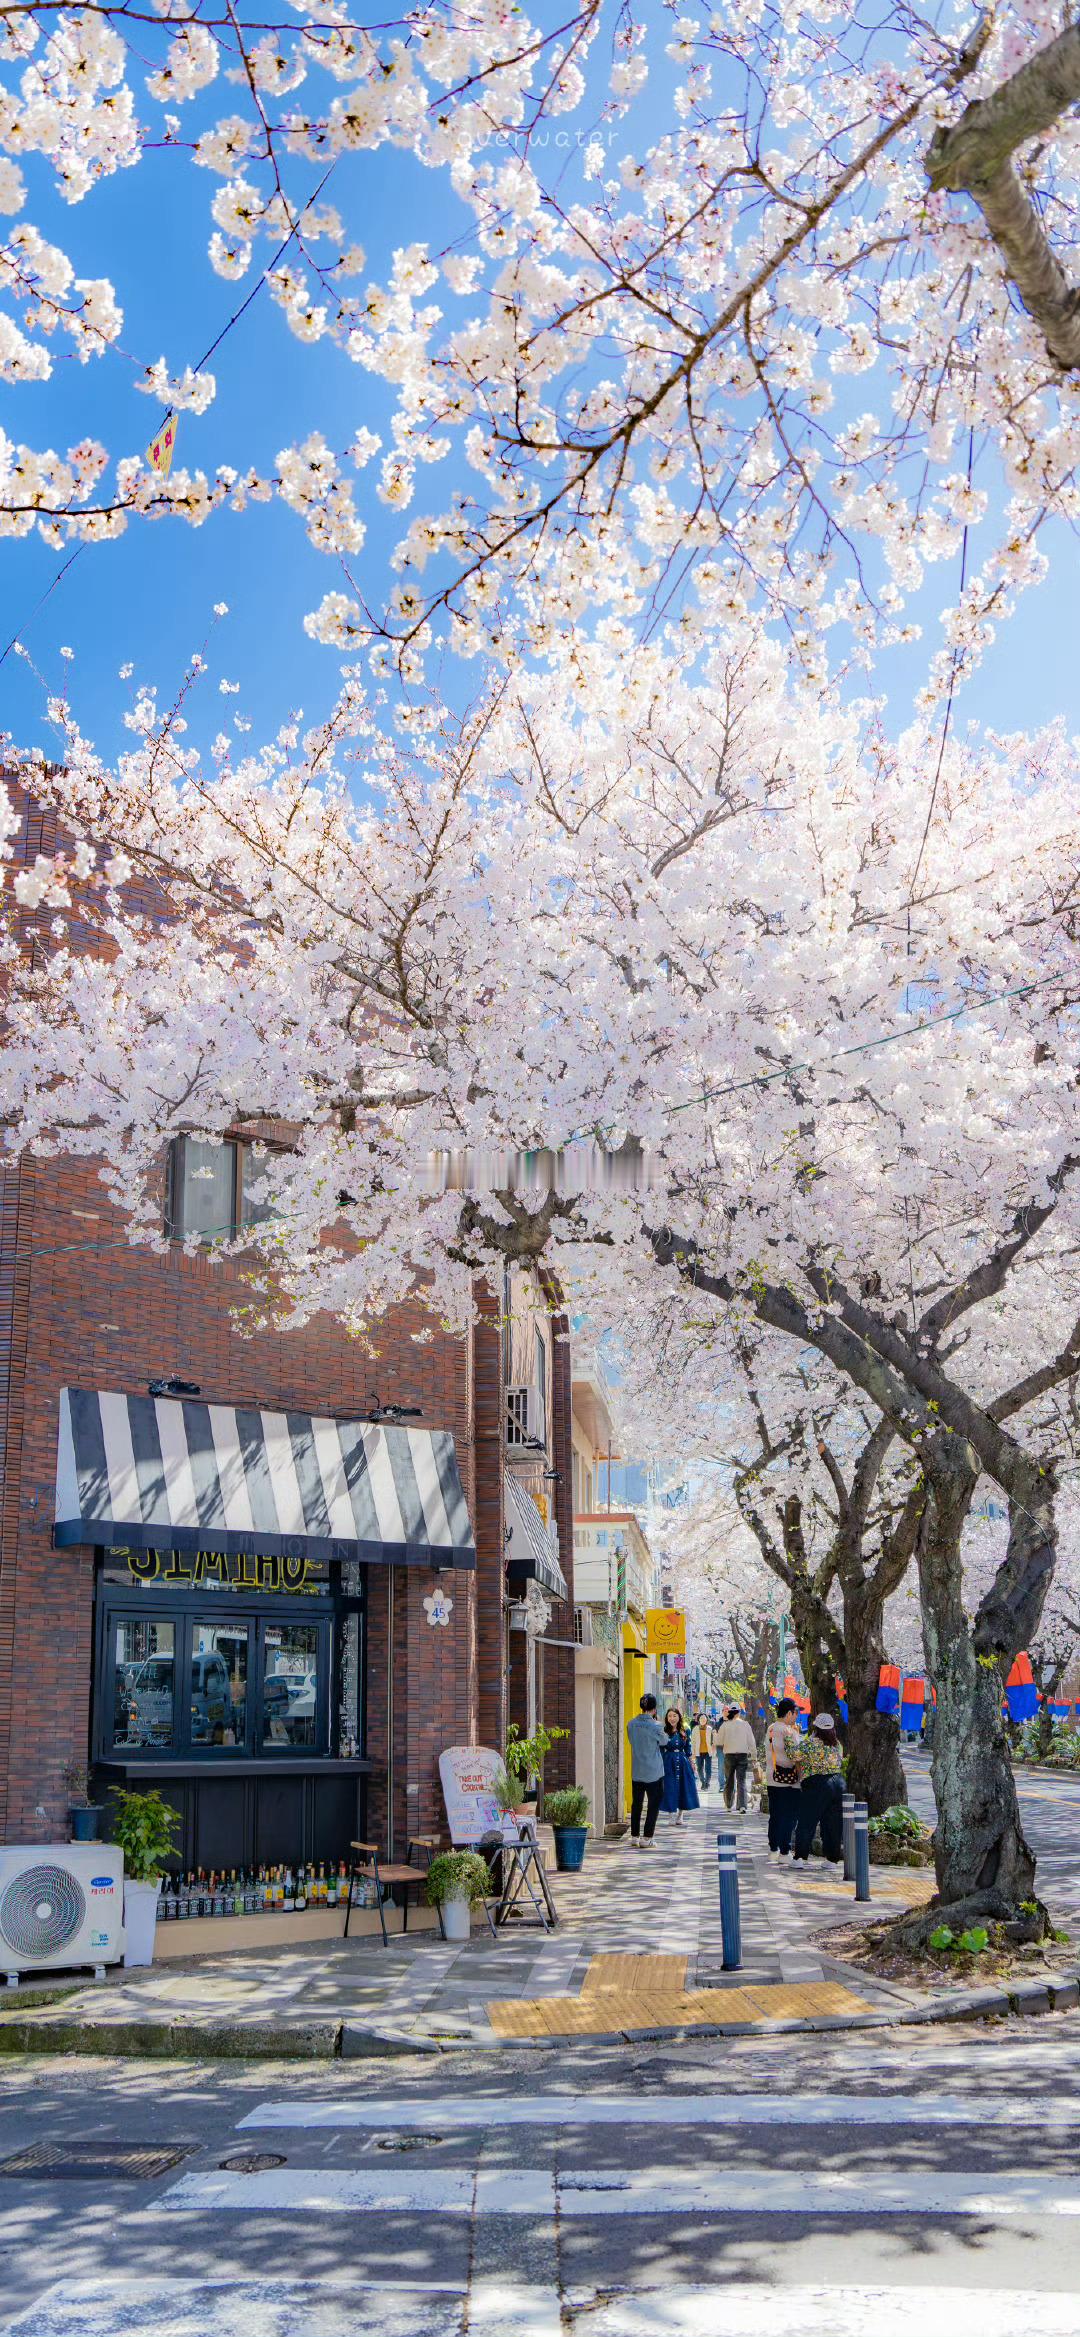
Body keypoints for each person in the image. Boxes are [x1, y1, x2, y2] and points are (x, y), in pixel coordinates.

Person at [792, 1712, 845, 1861]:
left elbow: (794, 1756)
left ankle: (800, 1858)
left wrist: (790, 1739)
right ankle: (832, 1860)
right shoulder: (837, 1744)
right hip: (838, 1783)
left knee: (807, 1820)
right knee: (833, 1823)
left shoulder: (810, 1743)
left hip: (817, 1784)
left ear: (816, 1727)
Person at [626, 1692, 668, 1848]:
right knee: (653, 1804)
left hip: (637, 1769)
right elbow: (664, 1741)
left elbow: (631, 1740)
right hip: (654, 1771)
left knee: (636, 1803)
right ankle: (647, 1838)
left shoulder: (631, 1724)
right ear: (654, 1709)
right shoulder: (657, 1726)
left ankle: (634, 1836)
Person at [763, 1696, 802, 1857]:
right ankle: (784, 1851)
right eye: (796, 1713)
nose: (796, 1716)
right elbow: (795, 1755)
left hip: (773, 1778)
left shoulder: (771, 1728)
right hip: (789, 1781)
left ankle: (773, 1847)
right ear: (789, 1713)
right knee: (789, 1815)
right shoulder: (788, 1731)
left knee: (776, 1814)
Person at [660, 1706, 700, 1826]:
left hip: (682, 1762)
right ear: (667, 1718)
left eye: (674, 1716)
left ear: (679, 1717)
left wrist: (692, 1763)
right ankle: (671, 1814)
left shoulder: (685, 1730)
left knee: (683, 1787)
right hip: (668, 1762)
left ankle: (680, 1814)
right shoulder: (664, 1731)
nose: (672, 1718)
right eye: (670, 1716)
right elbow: (661, 1749)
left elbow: (688, 1748)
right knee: (670, 1787)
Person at [717, 1704, 758, 1812]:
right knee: (741, 1780)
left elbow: (718, 1741)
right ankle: (742, 1806)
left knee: (729, 1781)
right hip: (742, 1755)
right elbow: (751, 1742)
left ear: (730, 1712)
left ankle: (728, 1805)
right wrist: (754, 1756)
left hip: (729, 1755)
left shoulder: (725, 1725)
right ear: (739, 1712)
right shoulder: (745, 1725)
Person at [691, 1709, 715, 1792]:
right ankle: (703, 1782)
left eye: (704, 1719)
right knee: (699, 1769)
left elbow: (713, 1741)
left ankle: (707, 1783)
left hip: (708, 1752)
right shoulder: (695, 1729)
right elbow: (693, 1742)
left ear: (707, 1720)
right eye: (701, 1719)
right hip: (698, 1752)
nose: (703, 1720)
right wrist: (693, 1753)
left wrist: (713, 1748)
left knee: (708, 1769)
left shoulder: (710, 1729)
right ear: (698, 1720)